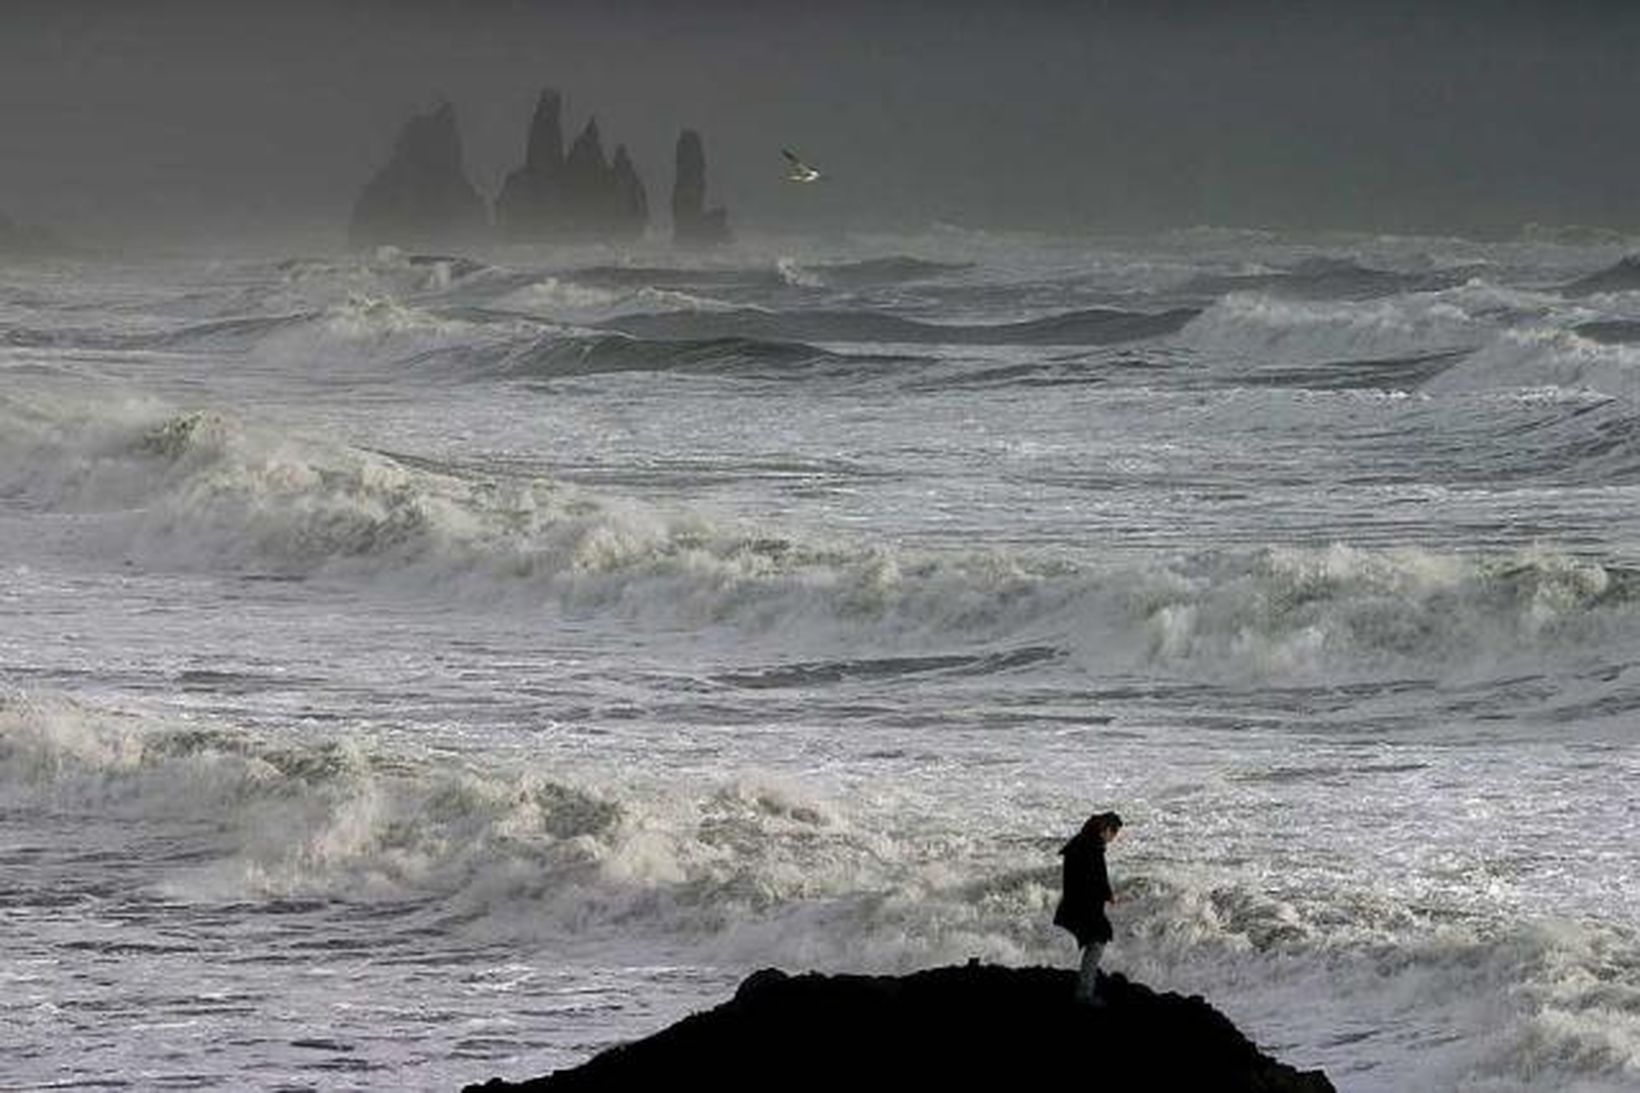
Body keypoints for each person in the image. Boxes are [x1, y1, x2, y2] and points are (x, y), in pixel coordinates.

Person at [1053, 810, 1123, 1003]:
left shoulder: (1082, 841)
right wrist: (1108, 895)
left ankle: (1086, 982)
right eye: (1114, 833)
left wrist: (1107, 895)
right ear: (1107, 830)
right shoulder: (1092, 846)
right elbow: (1097, 876)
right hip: (1083, 905)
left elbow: (1095, 875)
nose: (1113, 839)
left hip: (1076, 903)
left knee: (1096, 940)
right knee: (1098, 940)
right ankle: (1084, 992)